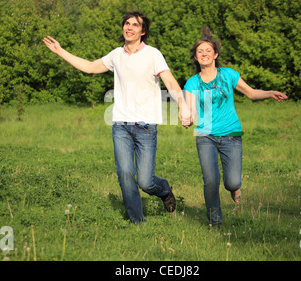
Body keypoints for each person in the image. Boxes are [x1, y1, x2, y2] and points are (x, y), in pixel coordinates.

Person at [43, 12, 191, 224]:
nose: (129, 27)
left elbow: (169, 80)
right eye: (126, 24)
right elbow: (89, 67)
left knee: (146, 181)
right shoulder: (116, 55)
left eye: (135, 25)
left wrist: (183, 106)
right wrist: (60, 51)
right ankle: (138, 221)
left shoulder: (153, 54)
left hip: (146, 126)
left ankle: (164, 190)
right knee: (124, 173)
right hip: (121, 125)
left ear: (143, 31)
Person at [183, 27, 288, 227]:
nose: (204, 54)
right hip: (206, 136)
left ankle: (234, 188)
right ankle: (215, 222)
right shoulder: (192, 83)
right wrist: (187, 117)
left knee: (231, 182)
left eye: (208, 51)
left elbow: (251, 93)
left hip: (231, 134)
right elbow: (191, 108)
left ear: (215, 54)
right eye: (200, 52)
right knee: (211, 181)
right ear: (196, 58)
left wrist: (270, 93)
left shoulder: (229, 75)